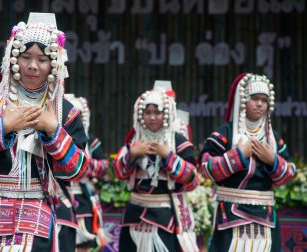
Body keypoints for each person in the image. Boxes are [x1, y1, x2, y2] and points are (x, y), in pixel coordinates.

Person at [0, 12, 89, 252]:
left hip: (31, 219)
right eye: (25, 56)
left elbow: (77, 170)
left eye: (42, 59)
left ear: (54, 64)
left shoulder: (64, 112)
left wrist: (53, 131)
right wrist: (4, 127)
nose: (32, 65)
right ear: (12, 57)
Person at [199, 73, 296, 252]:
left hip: (265, 217)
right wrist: (238, 155)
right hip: (230, 216)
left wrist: (272, 160)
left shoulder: (273, 138)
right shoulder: (225, 133)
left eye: (264, 100)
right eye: (254, 99)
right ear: (243, 101)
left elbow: (290, 171)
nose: (260, 104)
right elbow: (206, 168)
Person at [114, 87, 200, 252]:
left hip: (166, 216)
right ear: (141, 115)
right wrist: (132, 154)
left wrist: (168, 156)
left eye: (157, 112)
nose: (152, 117)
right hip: (134, 216)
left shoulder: (179, 141)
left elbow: (192, 180)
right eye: (148, 112)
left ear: (166, 114)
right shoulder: (134, 141)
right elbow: (118, 172)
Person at [64, 94, 111, 251]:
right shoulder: (50, 138)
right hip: (60, 196)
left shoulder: (90, 141)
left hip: (83, 199)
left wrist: (83, 164)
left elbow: (104, 166)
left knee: (83, 244)